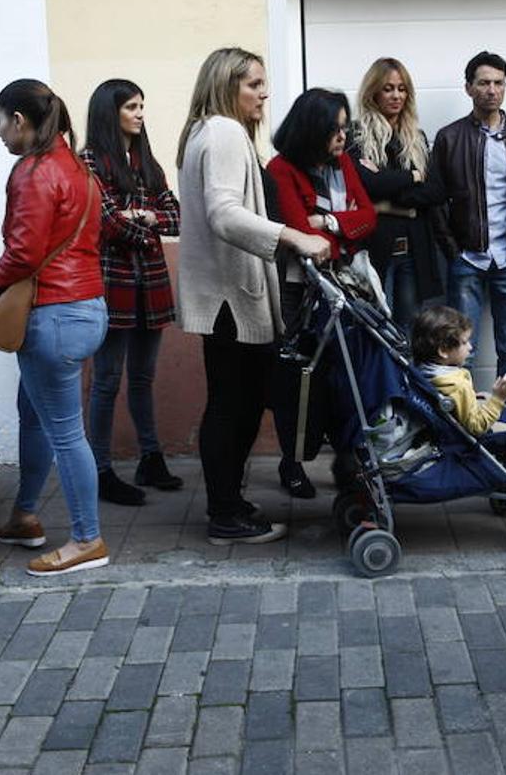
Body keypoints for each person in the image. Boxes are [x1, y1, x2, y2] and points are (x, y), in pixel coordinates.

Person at [175, 48, 331, 545]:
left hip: (227, 296)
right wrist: (293, 236)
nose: (264, 93)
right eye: (254, 84)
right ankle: (225, 513)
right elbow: (224, 214)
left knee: (237, 402)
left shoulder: (209, 131)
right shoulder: (221, 132)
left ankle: (230, 505)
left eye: (264, 84)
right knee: (232, 406)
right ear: (226, 85)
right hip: (230, 300)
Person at [0, 78, 109, 576]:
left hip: (52, 314)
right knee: (35, 412)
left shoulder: (32, 172)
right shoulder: (80, 170)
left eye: (1, 120)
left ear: (21, 121)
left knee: (67, 433)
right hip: (87, 307)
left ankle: (87, 539)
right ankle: (26, 515)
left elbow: (25, 253)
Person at [266, 88, 377, 498]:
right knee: (299, 377)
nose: (343, 138)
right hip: (300, 290)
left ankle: (346, 458)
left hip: (344, 287)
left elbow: (369, 218)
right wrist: (336, 231)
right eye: (335, 130)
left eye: (345, 129)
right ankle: (291, 462)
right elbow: (299, 232)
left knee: (344, 374)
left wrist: (329, 221)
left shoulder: (342, 163)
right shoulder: (281, 170)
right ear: (313, 129)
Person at [429, 51, 506, 423]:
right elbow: (435, 201)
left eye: (498, 82)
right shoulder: (449, 138)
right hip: (467, 258)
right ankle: (464, 430)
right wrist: (453, 251)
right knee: (456, 349)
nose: (491, 90)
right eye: (483, 83)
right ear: (469, 88)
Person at [81, 79, 182, 505]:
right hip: (113, 283)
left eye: (142, 106)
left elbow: (176, 218)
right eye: (132, 107)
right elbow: (105, 223)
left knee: (143, 377)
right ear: (111, 112)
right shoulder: (88, 161)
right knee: (106, 379)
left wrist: (139, 215)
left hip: (151, 283)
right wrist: (146, 224)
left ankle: (150, 457)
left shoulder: (145, 160)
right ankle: (100, 468)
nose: (141, 114)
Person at [348, 58, 443, 332]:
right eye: (388, 88)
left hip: (413, 251)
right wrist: (414, 176)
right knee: (376, 328)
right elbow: (367, 184)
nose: (396, 95)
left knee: (409, 331)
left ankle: (404, 378)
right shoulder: (357, 135)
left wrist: (386, 200)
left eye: (402, 89)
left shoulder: (417, 137)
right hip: (375, 249)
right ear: (373, 92)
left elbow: (436, 191)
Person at [410, 304, 506, 436]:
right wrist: (498, 398)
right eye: (464, 342)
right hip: (467, 438)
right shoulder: (457, 387)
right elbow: (476, 426)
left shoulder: (419, 371)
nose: (470, 347)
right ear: (443, 350)